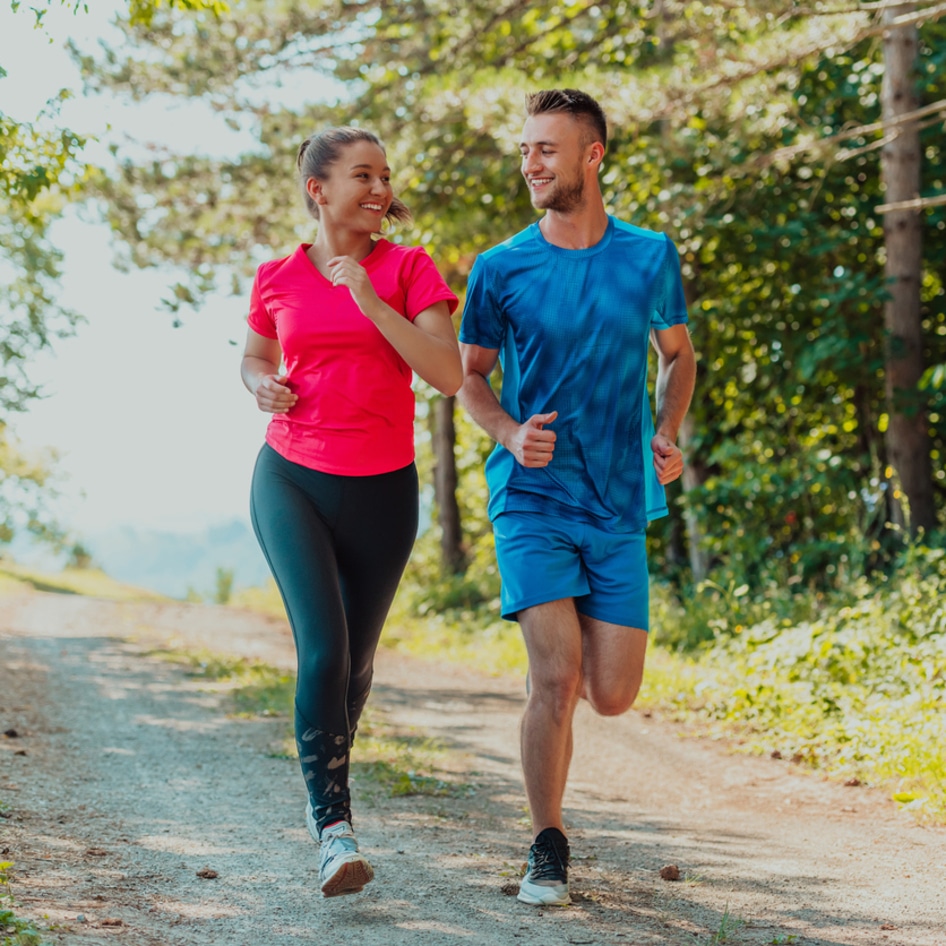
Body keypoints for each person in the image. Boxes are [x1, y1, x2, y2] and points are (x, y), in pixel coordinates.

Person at [457, 89, 696, 907]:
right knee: (554, 680)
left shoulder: (649, 255)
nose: (531, 164)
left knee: (612, 693)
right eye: (526, 150)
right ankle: (547, 844)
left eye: (547, 151)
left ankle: (552, 804)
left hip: (620, 500)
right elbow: (471, 379)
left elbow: (676, 356)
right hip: (531, 497)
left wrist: (667, 429)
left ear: (593, 156)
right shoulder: (500, 267)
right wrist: (509, 433)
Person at [241, 126, 462, 898]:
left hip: (383, 488)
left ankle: (327, 772)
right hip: (291, 476)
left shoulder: (408, 268)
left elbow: (445, 372)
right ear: (318, 189)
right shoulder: (275, 274)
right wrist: (258, 385)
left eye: (384, 176)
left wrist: (368, 298)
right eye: (362, 175)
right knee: (325, 651)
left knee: (357, 666)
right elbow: (258, 355)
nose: (378, 189)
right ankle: (333, 827)